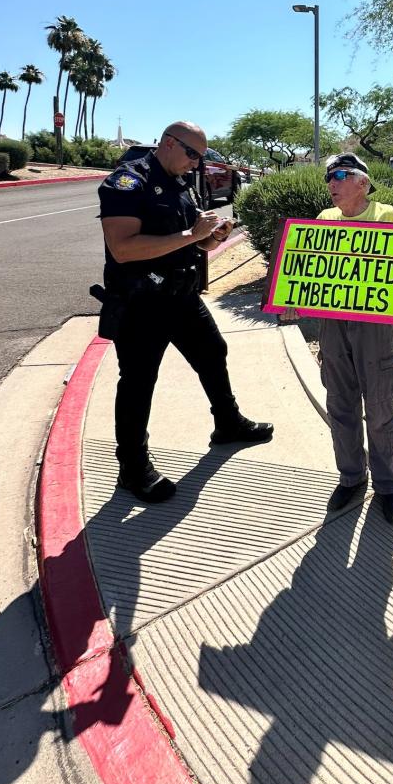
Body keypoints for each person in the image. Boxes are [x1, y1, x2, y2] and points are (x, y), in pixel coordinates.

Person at [96, 121, 273, 503]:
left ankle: (227, 423)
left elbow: (193, 242)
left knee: (213, 353)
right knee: (138, 382)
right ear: (169, 143)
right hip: (141, 302)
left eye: (201, 157)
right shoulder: (128, 182)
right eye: (192, 154)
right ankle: (132, 465)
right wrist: (193, 236)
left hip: (181, 295)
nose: (196, 163)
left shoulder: (181, 182)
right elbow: (123, 248)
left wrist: (212, 236)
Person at [316, 152, 393, 525]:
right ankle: (351, 477)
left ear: (363, 182)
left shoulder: (387, 216)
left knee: (380, 406)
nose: (332, 183)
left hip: (375, 324)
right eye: (329, 177)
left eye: (341, 175)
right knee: (340, 403)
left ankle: (388, 485)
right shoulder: (324, 220)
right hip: (333, 324)